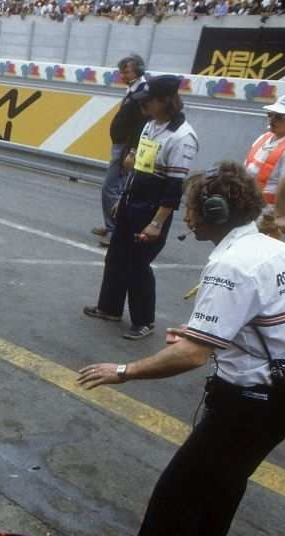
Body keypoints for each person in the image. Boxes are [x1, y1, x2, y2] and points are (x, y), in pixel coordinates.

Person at [78, 162, 285, 536]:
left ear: (213, 211)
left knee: (178, 491)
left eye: (192, 208)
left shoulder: (232, 265)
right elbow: (260, 322)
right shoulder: (275, 249)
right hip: (281, 395)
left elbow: (193, 354)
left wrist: (123, 371)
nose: (187, 217)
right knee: (232, 470)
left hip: (250, 399)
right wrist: (210, 335)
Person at [83, 75, 199, 340]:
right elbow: (137, 167)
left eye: (148, 100)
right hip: (131, 201)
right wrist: (122, 198)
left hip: (152, 209)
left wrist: (157, 222)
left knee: (138, 265)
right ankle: (109, 307)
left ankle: (144, 321)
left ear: (165, 101)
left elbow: (173, 187)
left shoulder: (182, 137)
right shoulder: (150, 126)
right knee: (115, 256)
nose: (143, 104)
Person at [93, 54, 148, 247]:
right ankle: (112, 227)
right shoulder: (133, 89)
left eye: (126, 71)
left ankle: (114, 230)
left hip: (126, 147)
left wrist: (132, 151)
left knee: (111, 188)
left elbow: (140, 126)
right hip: (122, 145)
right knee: (117, 188)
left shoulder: (142, 92)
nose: (122, 75)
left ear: (138, 71)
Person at [245, 94, 285, 231]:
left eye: (280, 117)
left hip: (266, 216)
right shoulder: (265, 137)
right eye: (271, 114)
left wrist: (279, 215)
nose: (272, 120)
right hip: (247, 206)